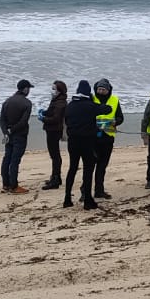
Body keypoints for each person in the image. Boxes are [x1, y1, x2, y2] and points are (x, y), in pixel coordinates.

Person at [62, 80, 99, 210]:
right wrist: (93, 100)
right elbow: (107, 109)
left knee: (72, 168)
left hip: (73, 141)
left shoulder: (70, 105)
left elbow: (66, 120)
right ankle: (88, 199)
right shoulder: (90, 105)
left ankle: (67, 198)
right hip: (87, 141)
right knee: (88, 169)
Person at [0, 79, 33, 194]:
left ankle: (6, 184)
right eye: (29, 88)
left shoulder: (7, 101)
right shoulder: (27, 103)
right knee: (15, 160)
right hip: (19, 135)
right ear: (25, 89)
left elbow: (2, 120)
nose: (29, 91)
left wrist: (6, 132)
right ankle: (14, 185)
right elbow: (23, 122)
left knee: (7, 158)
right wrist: (12, 130)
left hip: (8, 135)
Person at [91, 78, 124, 199]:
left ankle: (99, 191)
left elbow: (120, 117)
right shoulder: (91, 99)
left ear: (108, 90)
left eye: (103, 89)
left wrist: (116, 122)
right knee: (89, 166)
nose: (100, 91)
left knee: (102, 166)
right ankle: (85, 191)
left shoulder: (114, 100)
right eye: (99, 89)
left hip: (108, 138)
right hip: (92, 138)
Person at [39, 80, 68, 190]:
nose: (52, 91)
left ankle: (55, 179)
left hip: (54, 130)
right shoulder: (56, 100)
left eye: (54, 89)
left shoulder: (60, 103)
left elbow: (56, 119)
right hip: (52, 129)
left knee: (55, 155)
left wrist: (43, 119)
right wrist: (44, 112)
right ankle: (56, 177)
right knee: (54, 155)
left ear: (59, 91)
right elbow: (52, 112)